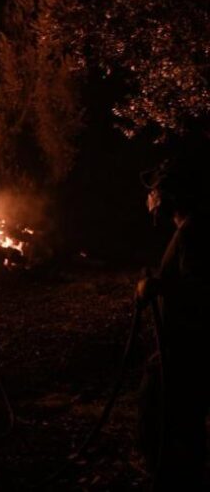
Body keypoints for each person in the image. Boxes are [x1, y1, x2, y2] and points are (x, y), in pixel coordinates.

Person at [135, 159, 209, 490]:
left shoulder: (192, 233)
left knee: (167, 415)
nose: (149, 199)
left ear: (167, 196)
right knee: (181, 418)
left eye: (153, 192)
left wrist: (157, 287)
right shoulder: (188, 230)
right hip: (182, 345)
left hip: (186, 348)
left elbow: (201, 288)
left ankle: (173, 478)